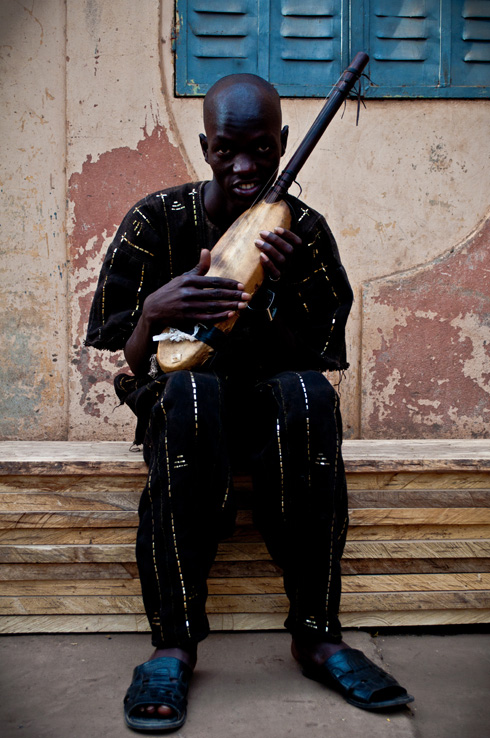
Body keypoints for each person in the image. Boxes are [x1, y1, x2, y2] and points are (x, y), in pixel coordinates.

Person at [86, 73, 413, 732]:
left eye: (262, 150)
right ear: (206, 145)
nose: (245, 166)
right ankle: (173, 644)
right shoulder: (158, 220)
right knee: (193, 393)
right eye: (228, 149)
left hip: (270, 394)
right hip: (184, 400)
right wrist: (156, 308)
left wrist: (282, 287)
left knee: (307, 394)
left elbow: (313, 351)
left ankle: (317, 634)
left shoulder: (302, 233)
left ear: (283, 143)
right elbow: (125, 352)